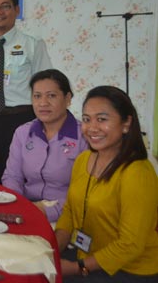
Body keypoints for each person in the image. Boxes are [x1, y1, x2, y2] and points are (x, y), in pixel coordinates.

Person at [55, 86, 158, 281]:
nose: (92, 128)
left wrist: (78, 267)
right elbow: (70, 211)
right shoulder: (83, 159)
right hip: (85, 255)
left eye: (102, 119)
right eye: (86, 119)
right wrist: (53, 250)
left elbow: (130, 245)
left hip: (130, 270)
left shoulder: (137, 173)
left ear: (126, 123)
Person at [0, 0, 52, 183]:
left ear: (17, 10)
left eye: (5, 6)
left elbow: (45, 85)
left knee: (21, 177)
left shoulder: (33, 44)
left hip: (22, 119)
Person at [1, 69, 87, 223]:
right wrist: (16, 204)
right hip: (25, 209)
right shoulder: (23, 132)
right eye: (37, 96)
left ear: (67, 99)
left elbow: (85, 193)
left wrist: (45, 211)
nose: (43, 103)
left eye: (51, 96)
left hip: (66, 217)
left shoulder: (84, 137)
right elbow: (12, 177)